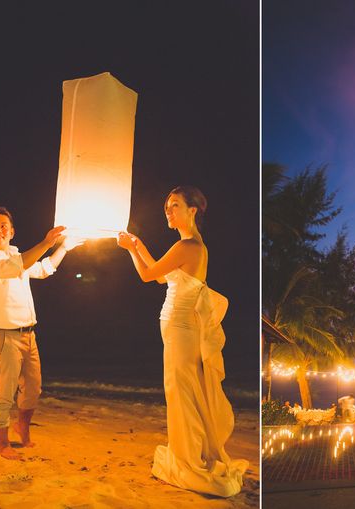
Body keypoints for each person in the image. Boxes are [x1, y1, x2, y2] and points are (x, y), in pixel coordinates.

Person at [118, 186, 247, 497]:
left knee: (181, 393)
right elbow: (160, 276)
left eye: (175, 205)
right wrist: (136, 246)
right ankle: (190, 452)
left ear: (193, 210)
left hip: (181, 326)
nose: (169, 211)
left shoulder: (189, 246)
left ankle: (188, 459)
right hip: (177, 326)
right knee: (182, 390)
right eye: (167, 206)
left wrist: (131, 248)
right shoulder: (187, 246)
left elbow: (148, 275)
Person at [0, 206, 81, 460]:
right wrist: (47, 241)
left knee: (33, 390)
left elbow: (42, 269)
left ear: (12, 232)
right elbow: (19, 265)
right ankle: (2, 445)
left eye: (3, 226)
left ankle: (23, 428)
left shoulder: (16, 256)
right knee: (3, 393)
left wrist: (64, 248)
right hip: (3, 336)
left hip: (28, 335)